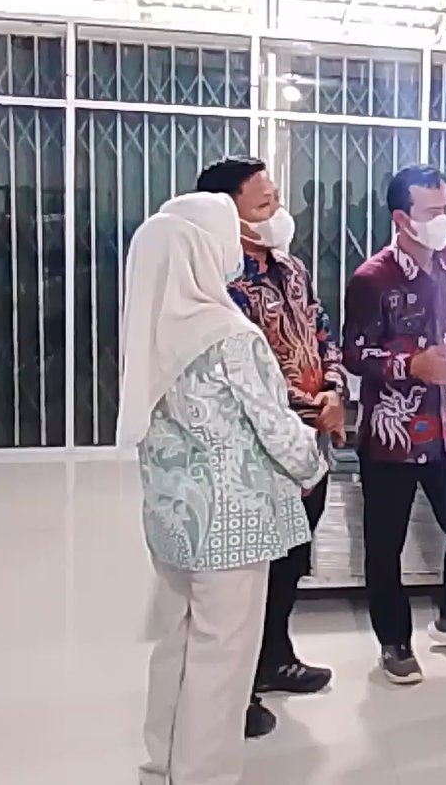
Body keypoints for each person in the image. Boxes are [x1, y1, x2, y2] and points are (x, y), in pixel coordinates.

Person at [120, 192, 328, 785]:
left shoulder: (153, 328)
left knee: (179, 642)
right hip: (232, 525)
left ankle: (161, 763)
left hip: (172, 519)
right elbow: (275, 425)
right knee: (224, 659)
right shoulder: (230, 334)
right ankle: (204, 775)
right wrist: (312, 465)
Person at [341, 163, 446, 685]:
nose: (444, 219)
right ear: (402, 218)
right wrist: (411, 365)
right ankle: (393, 642)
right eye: (432, 211)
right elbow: (354, 354)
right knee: (385, 542)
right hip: (392, 433)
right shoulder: (372, 279)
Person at [195, 156, 344, 738]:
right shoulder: (216, 285)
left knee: (290, 565)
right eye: (264, 204)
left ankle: (275, 658)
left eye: (276, 199)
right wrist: (310, 409)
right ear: (225, 214)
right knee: (252, 575)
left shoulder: (290, 267)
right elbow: (246, 377)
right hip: (260, 451)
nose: (278, 212)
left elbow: (321, 331)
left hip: (313, 444)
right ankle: (238, 692)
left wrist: (334, 392)